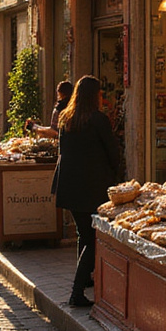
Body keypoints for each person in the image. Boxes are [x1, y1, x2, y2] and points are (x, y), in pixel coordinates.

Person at [52, 75, 120, 307]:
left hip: (69, 185)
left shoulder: (66, 118)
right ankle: (77, 291)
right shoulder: (98, 120)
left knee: (84, 233)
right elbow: (112, 152)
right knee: (92, 239)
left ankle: (85, 279)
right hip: (91, 186)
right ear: (95, 96)